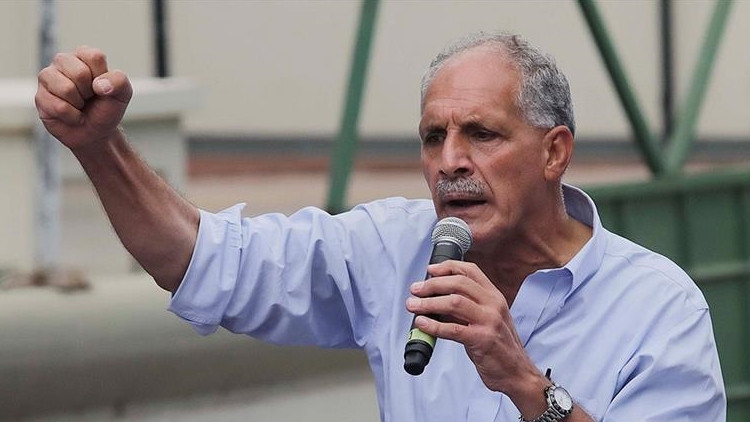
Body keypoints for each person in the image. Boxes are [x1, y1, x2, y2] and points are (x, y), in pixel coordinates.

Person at [35, 32, 725, 421]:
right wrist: (99, 148)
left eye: (482, 134)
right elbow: (201, 260)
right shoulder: (390, 248)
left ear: (555, 153)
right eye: (433, 137)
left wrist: (526, 385)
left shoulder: (658, 309)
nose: (450, 162)